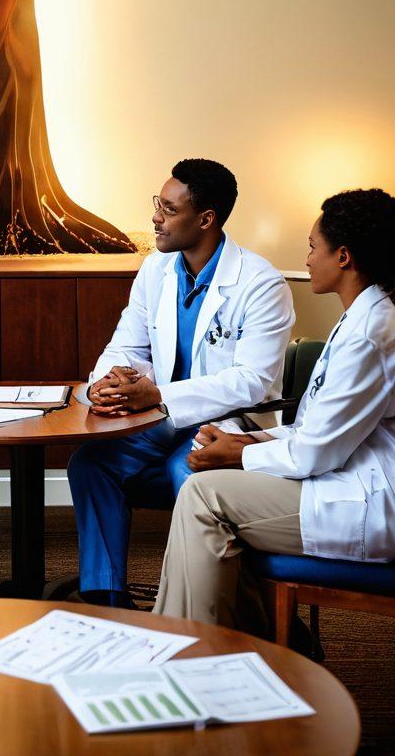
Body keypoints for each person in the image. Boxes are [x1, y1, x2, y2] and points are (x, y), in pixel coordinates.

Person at [154, 188, 395, 631]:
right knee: (206, 487)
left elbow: (316, 452)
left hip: (367, 501)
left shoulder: (369, 332)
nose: (306, 259)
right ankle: (244, 642)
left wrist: (236, 453)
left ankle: (185, 649)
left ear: (343, 257)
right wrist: (247, 439)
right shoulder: (364, 315)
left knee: (203, 495)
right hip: (347, 475)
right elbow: (314, 427)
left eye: (311, 247)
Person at [67, 158, 294, 608]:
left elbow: (252, 382)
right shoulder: (157, 268)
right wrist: (104, 382)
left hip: (227, 425)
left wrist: (157, 395)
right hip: (163, 422)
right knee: (91, 463)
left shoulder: (261, 284)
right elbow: (128, 344)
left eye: (169, 209)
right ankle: (107, 598)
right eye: (158, 204)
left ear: (205, 219)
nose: (155, 217)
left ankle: (193, 606)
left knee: (187, 473)